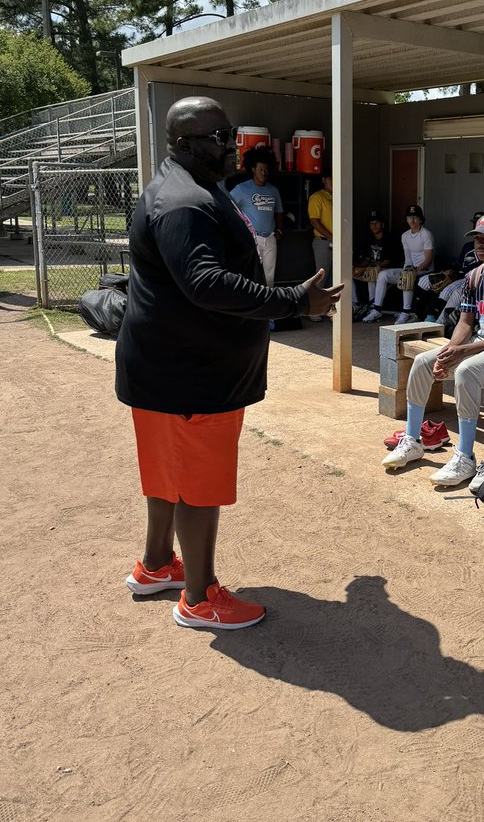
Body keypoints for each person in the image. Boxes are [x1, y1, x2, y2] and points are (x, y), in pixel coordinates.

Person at [116, 96, 343, 630]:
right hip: (191, 375)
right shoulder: (184, 203)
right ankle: (198, 598)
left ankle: (154, 566)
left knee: (167, 476)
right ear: (184, 145)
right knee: (196, 485)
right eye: (218, 137)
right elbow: (206, 283)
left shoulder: (184, 187)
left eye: (230, 133)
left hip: (162, 368)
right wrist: (294, 300)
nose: (231, 145)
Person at [382, 213, 484, 486]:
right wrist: (450, 352)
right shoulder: (474, 276)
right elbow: (466, 323)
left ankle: (465, 457)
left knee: (466, 372)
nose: (479, 244)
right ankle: (413, 440)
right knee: (422, 363)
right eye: (477, 238)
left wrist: (462, 353)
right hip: (481, 342)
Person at [363, 204, 435, 324]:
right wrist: (407, 270)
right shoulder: (405, 236)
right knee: (383, 275)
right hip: (412, 268)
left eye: (415, 217)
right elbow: (408, 259)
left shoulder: (426, 234)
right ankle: (376, 310)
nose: (412, 220)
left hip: (426, 270)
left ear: (420, 219)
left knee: (408, 276)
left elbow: (428, 260)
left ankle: (405, 312)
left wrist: (413, 272)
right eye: (409, 217)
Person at [228, 147, 284, 285]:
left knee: (269, 275)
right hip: (252, 238)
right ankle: (252, 303)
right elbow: (228, 208)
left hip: (270, 238)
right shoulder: (242, 189)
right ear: (253, 169)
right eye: (261, 169)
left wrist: (279, 230)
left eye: (266, 169)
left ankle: (269, 304)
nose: (264, 172)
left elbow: (279, 212)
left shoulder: (273, 190)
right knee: (252, 274)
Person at [352, 210, 401, 317]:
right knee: (348, 272)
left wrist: (365, 269)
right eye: (371, 223)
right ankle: (355, 303)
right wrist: (357, 267)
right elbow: (367, 259)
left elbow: (387, 261)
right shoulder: (369, 239)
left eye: (376, 223)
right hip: (372, 269)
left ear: (382, 224)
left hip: (387, 269)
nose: (373, 226)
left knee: (372, 272)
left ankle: (373, 307)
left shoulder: (390, 239)